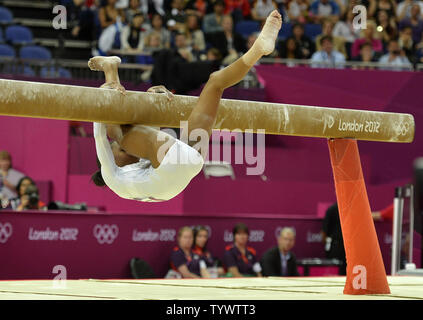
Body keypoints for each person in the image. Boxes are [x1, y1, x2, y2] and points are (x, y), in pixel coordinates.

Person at [89, 10, 282, 202]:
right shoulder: (111, 176)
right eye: (122, 152)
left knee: (215, 83)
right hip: (173, 166)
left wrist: (152, 99)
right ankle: (110, 68)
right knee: (116, 132)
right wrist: (103, 97)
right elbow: (100, 136)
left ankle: (258, 49)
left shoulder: (137, 171)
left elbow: (150, 132)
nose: (127, 150)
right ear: (110, 160)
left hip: (190, 162)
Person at [321, 203, 346, 275]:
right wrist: (327, 247)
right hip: (335, 247)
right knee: (333, 272)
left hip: (348, 248)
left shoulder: (352, 210)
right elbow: (324, 231)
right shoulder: (332, 209)